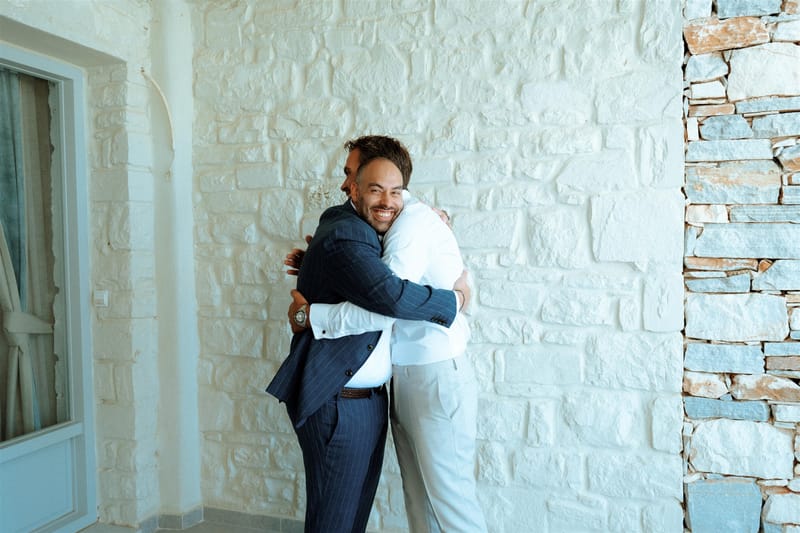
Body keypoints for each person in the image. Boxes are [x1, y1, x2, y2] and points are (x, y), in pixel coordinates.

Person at [266, 136, 469, 533]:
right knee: (335, 523)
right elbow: (390, 297)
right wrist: (455, 301)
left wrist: (430, 217)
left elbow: (367, 276)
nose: (345, 184)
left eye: (395, 191)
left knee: (351, 519)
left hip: (368, 401)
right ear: (356, 187)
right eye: (368, 186)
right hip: (341, 404)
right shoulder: (347, 233)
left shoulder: (378, 226)